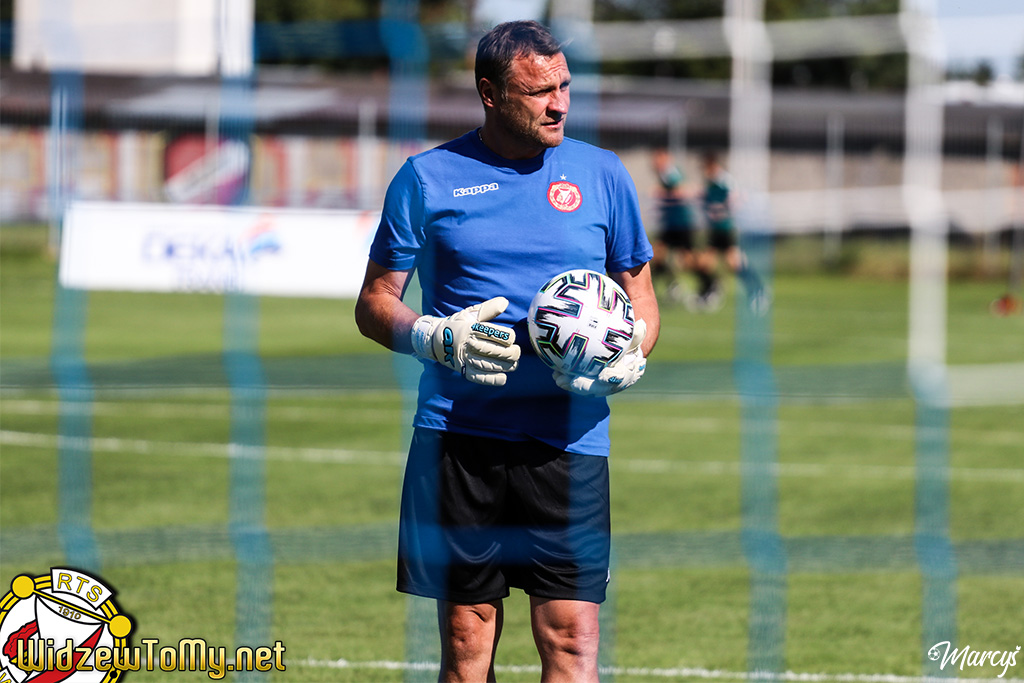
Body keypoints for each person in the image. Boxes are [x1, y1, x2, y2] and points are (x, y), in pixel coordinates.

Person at [354, 19, 659, 682]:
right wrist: (432, 336)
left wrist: (633, 352)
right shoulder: (427, 178)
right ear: (490, 94)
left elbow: (640, 294)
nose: (559, 104)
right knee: (467, 640)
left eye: (565, 86)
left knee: (572, 638)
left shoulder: (603, 174)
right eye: (540, 91)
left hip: (569, 442)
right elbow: (374, 302)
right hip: (458, 438)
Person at [697, 149, 770, 313]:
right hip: (715, 230)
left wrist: (723, 211)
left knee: (733, 262)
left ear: (712, 165)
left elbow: (738, 199)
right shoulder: (711, 183)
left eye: (705, 167)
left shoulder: (724, 181)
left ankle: (758, 290)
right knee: (705, 262)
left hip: (725, 229)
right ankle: (711, 292)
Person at [649, 147, 717, 307]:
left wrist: (662, 194)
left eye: (657, 158)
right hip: (670, 224)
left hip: (681, 223)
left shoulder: (671, 173)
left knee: (688, 261)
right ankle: (669, 285)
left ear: (665, 157)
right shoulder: (664, 174)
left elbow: (681, 191)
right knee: (657, 254)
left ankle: (710, 283)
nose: (654, 162)